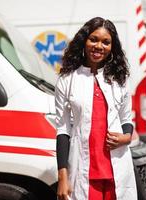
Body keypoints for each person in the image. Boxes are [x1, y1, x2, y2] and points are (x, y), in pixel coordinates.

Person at [55, 17, 137, 200]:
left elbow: (126, 119)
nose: (99, 46)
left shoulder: (119, 79)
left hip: (117, 171)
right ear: (84, 41)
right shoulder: (67, 80)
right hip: (84, 172)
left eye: (106, 42)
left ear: (112, 47)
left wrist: (125, 137)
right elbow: (63, 129)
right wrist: (62, 176)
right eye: (93, 39)